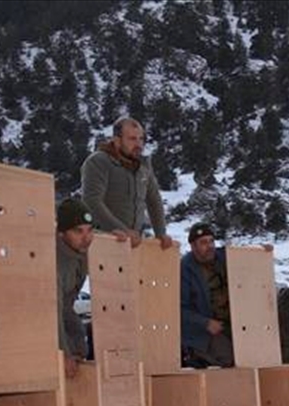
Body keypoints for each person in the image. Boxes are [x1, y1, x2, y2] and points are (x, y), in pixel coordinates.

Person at [80, 118, 173, 250]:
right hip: (103, 240)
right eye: (132, 139)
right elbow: (92, 201)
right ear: (117, 140)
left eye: (141, 139)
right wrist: (121, 229)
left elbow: (154, 200)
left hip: (133, 243)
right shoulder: (99, 162)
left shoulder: (143, 166)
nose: (139, 144)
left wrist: (161, 233)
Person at [55, 198, 100, 378]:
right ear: (61, 233)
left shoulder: (80, 252)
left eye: (90, 231)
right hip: (41, 319)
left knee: (81, 345)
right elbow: (53, 310)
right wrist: (64, 354)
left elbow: (67, 306)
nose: (86, 238)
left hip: (64, 311)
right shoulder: (54, 260)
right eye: (78, 231)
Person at [179, 222, 234, 367]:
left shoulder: (224, 257)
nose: (209, 246)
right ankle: (194, 355)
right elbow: (179, 308)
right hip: (203, 330)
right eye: (203, 242)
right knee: (227, 358)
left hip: (232, 324)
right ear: (193, 246)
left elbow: (247, 257)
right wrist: (205, 323)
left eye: (211, 241)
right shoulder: (185, 269)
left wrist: (263, 249)